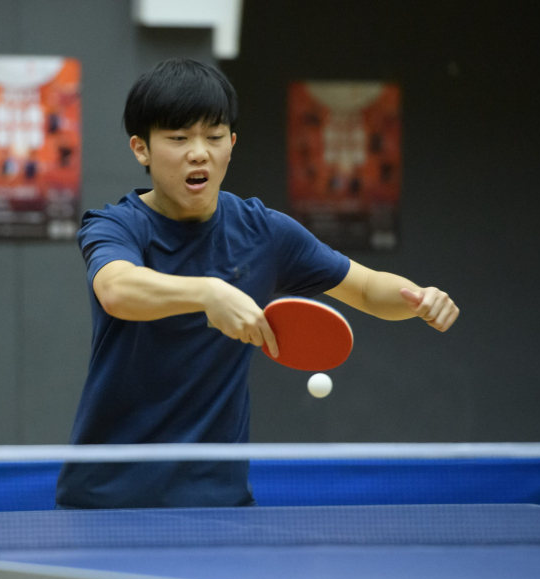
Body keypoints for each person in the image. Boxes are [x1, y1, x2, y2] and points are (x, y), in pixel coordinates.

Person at [55, 58, 459, 509]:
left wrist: (419, 300)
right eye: (179, 138)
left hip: (217, 499)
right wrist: (208, 292)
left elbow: (365, 288)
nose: (199, 153)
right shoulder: (116, 226)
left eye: (213, 137)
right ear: (141, 149)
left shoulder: (263, 231)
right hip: (108, 496)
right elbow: (117, 290)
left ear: (231, 144)